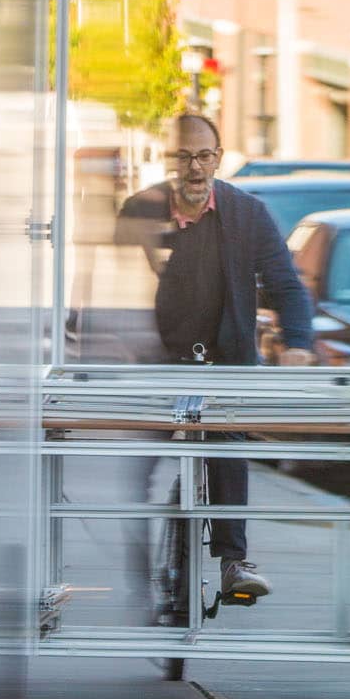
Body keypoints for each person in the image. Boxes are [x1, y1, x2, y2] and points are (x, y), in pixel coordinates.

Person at [114, 114, 314, 601]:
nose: (194, 168)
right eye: (183, 156)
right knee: (133, 466)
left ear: (219, 159)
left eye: (204, 156)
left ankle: (232, 563)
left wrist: (298, 343)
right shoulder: (141, 210)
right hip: (157, 359)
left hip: (226, 356)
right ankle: (135, 552)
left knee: (226, 446)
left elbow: (286, 284)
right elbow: (110, 284)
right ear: (167, 161)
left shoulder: (247, 214)